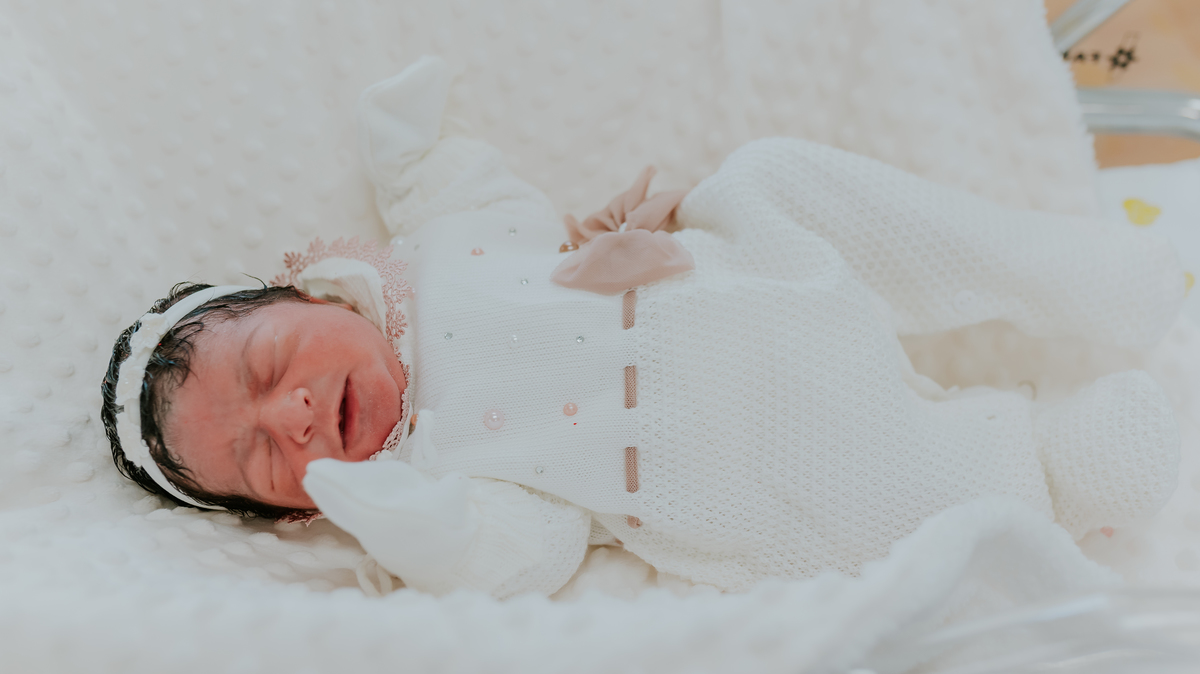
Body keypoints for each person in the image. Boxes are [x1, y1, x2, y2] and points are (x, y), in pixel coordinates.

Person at [102, 56, 1185, 598]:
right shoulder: (437, 477)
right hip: (747, 461)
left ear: (311, 295)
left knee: (773, 177)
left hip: (745, 281)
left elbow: (468, 190)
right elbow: (522, 553)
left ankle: (1079, 275)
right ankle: (1059, 461)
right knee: (887, 505)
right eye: (263, 459)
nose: (291, 416)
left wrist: (409, 144)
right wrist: (406, 521)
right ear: (293, 513)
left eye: (270, 367)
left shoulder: (435, 254)